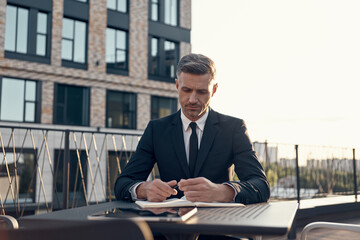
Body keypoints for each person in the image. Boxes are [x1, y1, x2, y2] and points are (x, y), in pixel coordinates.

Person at [114, 53, 270, 204]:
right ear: (177, 85)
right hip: (170, 227)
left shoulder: (233, 128)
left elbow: (261, 185)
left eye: (202, 92)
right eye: (186, 90)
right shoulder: (156, 130)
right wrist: (144, 189)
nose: (193, 99)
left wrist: (221, 191)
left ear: (214, 90)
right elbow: (123, 183)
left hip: (219, 225)